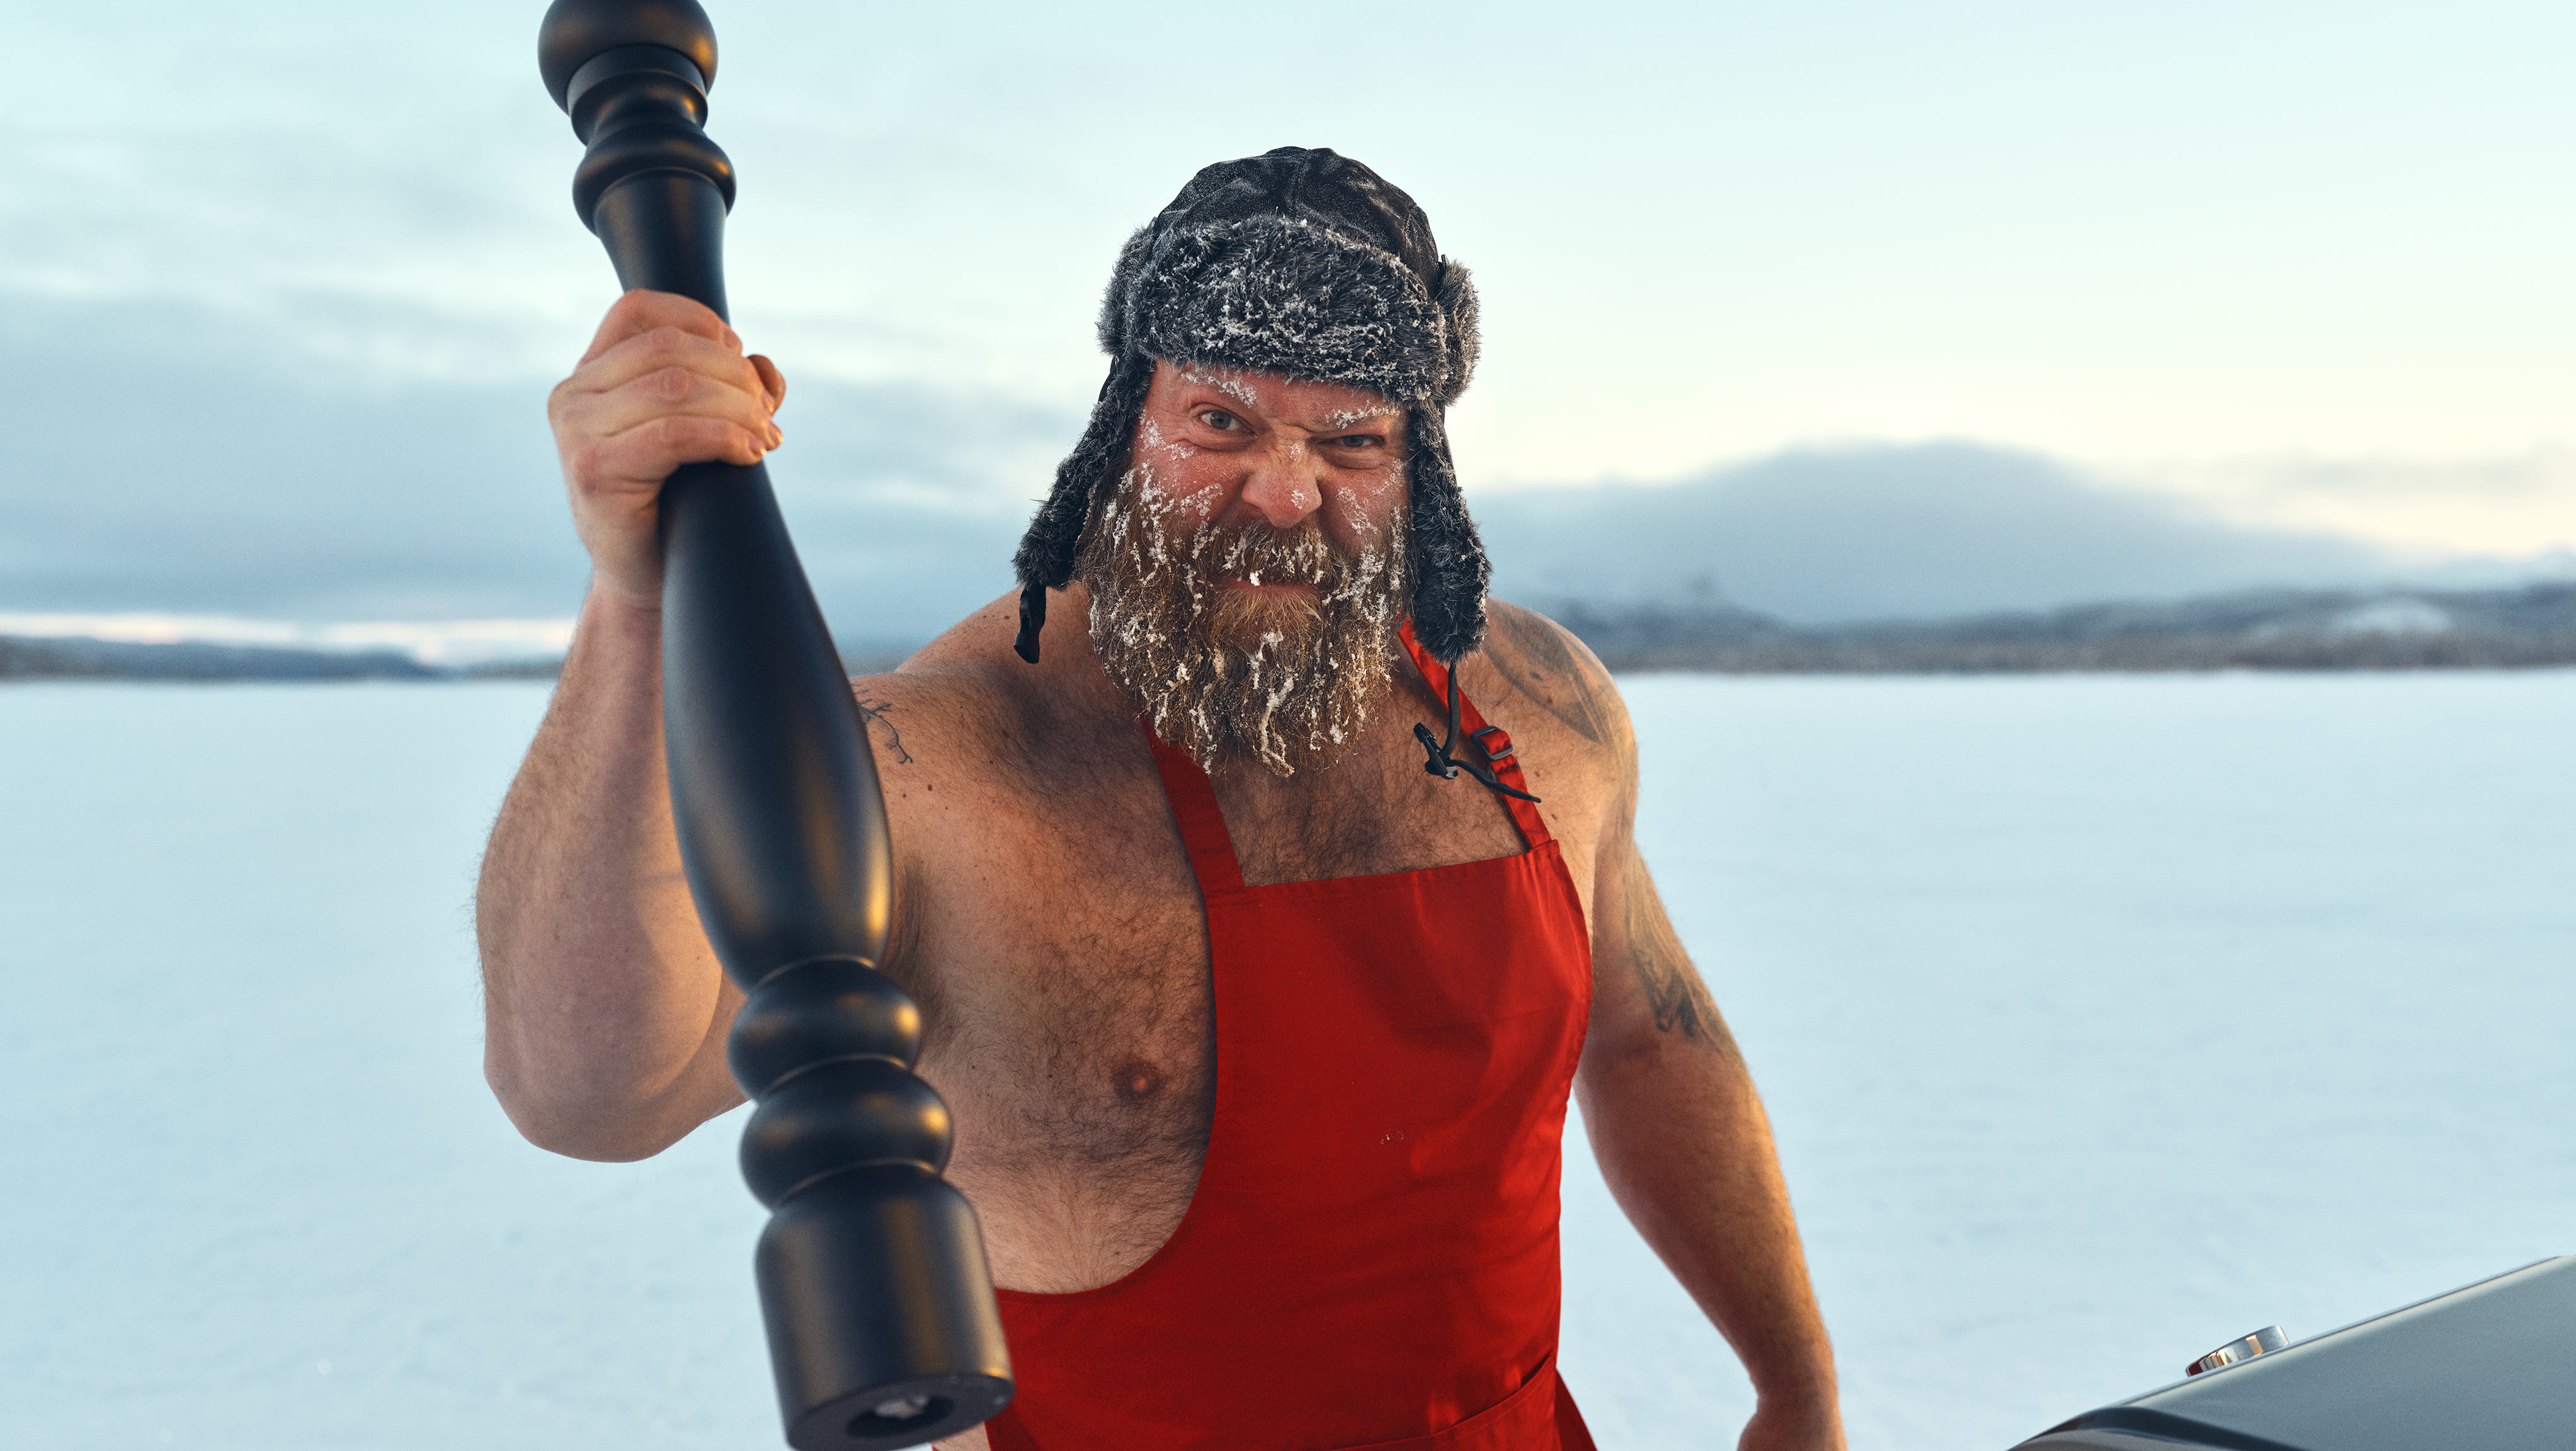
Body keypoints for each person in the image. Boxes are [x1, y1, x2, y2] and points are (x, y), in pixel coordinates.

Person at [479, 147, 1843, 1451]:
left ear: (1418, 461)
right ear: (1123, 418)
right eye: (1221, 422)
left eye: (1352, 440)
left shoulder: (1533, 708)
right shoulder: (947, 761)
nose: (1286, 491)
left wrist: (1792, 1387)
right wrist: (640, 589)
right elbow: (589, 1095)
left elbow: (1653, 1042)